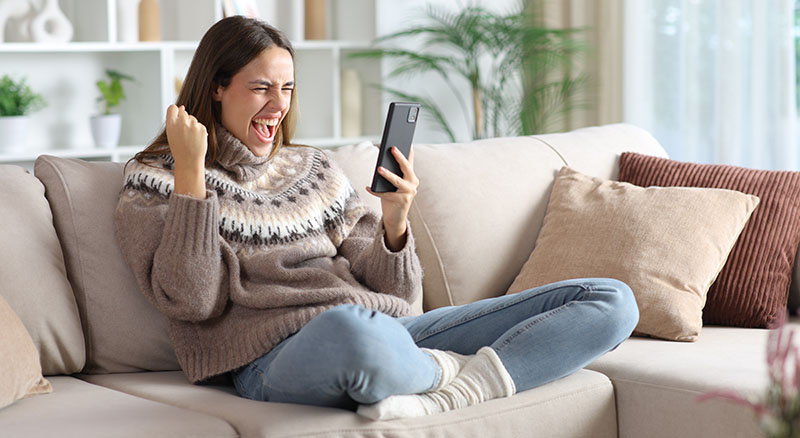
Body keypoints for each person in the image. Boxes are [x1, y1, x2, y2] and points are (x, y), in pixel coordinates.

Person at [114, 15, 639, 421]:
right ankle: (448, 371)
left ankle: (450, 391)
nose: (278, 105)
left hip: (390, 331)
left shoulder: (315, 168)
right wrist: (190, 175)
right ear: (216, 87)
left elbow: (397, 290)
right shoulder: (155, 179)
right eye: (261, 88)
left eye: (288, 88)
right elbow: (192, 299)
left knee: (610, 300)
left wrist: (395, 218)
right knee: (350, 329)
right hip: (274, 357)